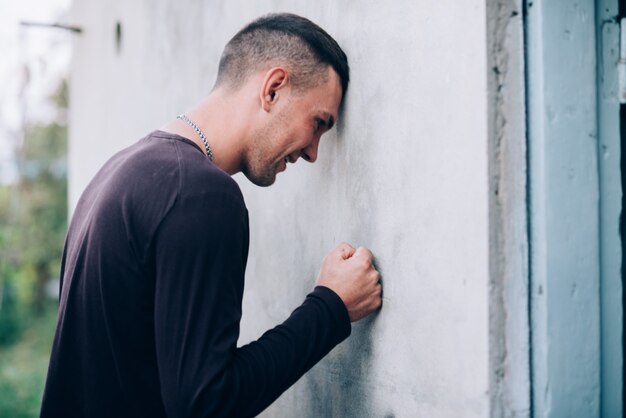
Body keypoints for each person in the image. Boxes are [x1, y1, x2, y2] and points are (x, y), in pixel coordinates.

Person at [40, 13, 382, 418]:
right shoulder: (200, 195)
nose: (313, 152)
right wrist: (332, 307)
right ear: (273, 89)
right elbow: (205, 403)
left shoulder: (118, 173)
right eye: (318, 123)